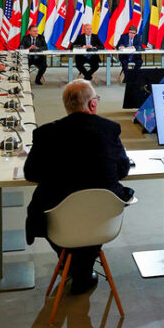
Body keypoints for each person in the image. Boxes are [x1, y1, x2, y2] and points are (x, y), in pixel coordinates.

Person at [24, 80, 133, 295]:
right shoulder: (110, 129)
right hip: (103, 216)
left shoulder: (45, 133)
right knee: (92, 216)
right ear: (92, 105)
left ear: (66, 106)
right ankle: (82, 266)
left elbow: (32, 173)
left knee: (50, 212)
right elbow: (122, 169)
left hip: (59, 216)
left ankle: (72, 262)